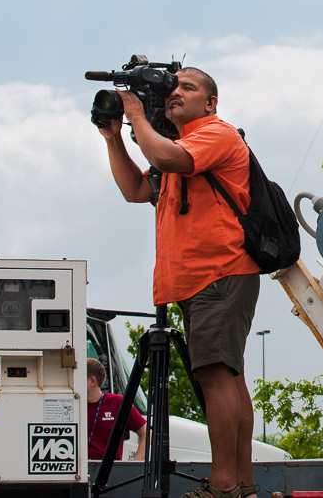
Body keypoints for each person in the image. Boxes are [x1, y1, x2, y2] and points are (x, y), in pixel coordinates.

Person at [97, 67, 259, 498]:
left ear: (211, 102)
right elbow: (135, 189)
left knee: (215, 375)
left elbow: (168, 158)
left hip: (220, 272)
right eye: (174, 88)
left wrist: (136, 116)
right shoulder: (177, 145)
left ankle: (223, 483)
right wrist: (114, 137)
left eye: (189, 88)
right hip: (194, 279)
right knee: (227, 376)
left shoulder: (216, 134)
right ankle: (239, 481)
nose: (176, 93)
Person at [87, 358, 147, 461]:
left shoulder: (118, 403)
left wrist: (135, 465)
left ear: (92, 381)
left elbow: (146, 433)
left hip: (108, 473)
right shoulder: (71, 405)